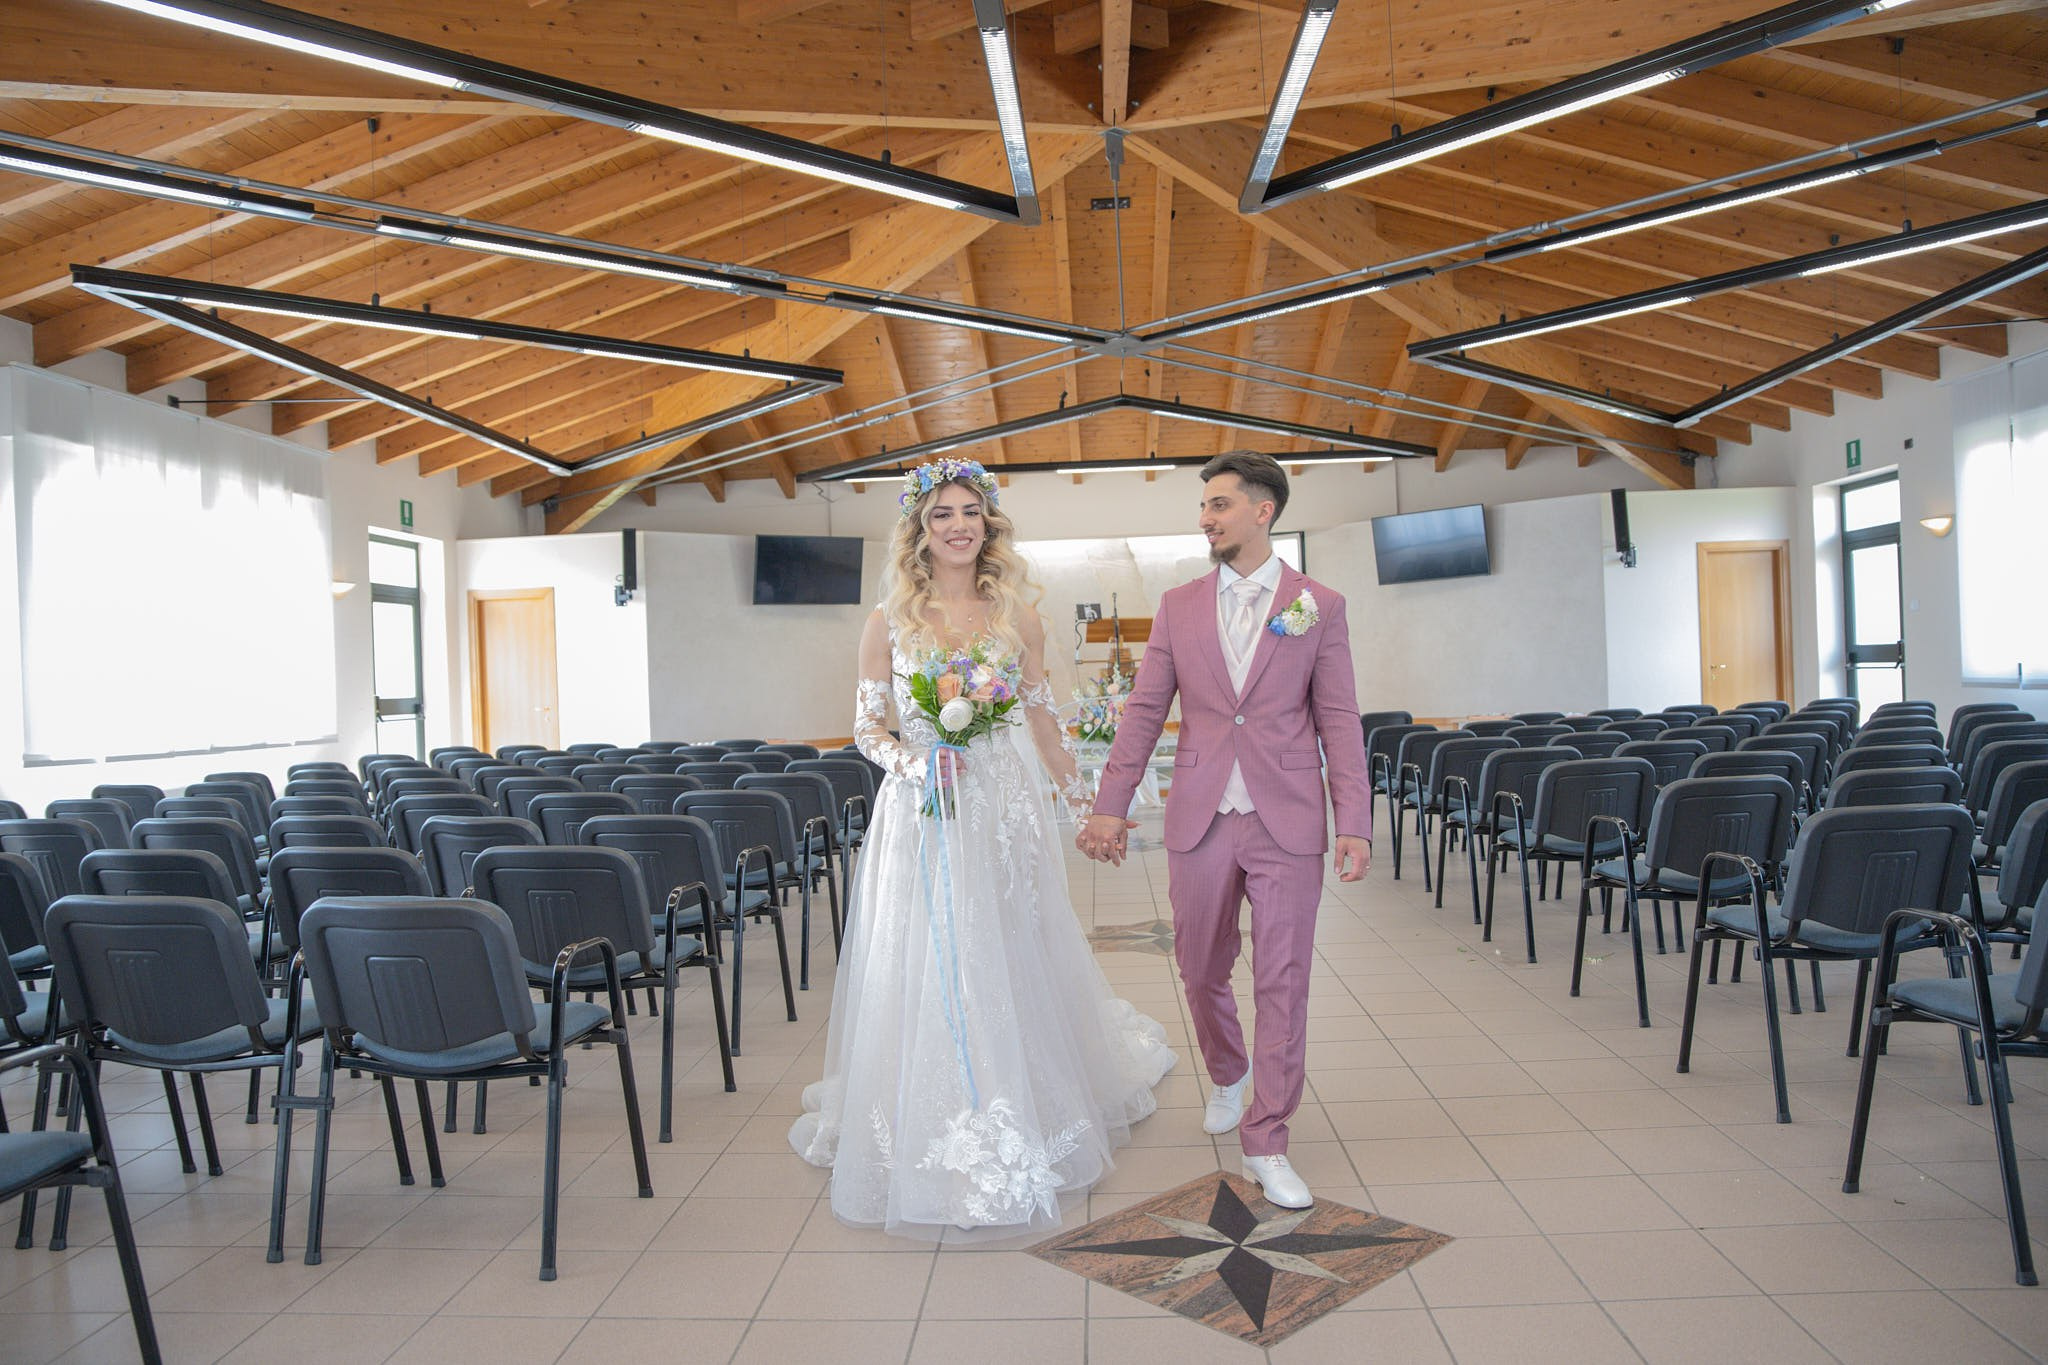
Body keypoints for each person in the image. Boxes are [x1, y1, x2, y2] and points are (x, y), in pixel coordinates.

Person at [789, 457, 1176, 1238]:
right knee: (935, 958)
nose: (958, 525)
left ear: (989, 524)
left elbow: (1042, 723)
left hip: (1001, 809)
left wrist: (1090, 806)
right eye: (942, 515)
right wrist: (912, 759)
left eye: (971, 511)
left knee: (1007, 947)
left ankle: (1021, 1096)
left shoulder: (1017, 618)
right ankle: (930, 1112)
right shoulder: (887, 622)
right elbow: (868, 728)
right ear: (920, 530)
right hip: (924, 810)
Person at [1078, 451, 1371, 1210]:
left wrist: (1356, 821)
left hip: (1288, 820)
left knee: (1284, 978)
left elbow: (1339, 719)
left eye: (1217, 505)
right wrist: (1111, 801)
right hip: (1201, 815)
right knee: (1201, 964)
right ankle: (1228, 1069)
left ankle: (1268, 1137)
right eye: (1203, 507)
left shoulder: (1321, 606)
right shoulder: (1178, 606)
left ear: (1262, 510)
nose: (1204, 518)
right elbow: (1145, 709)